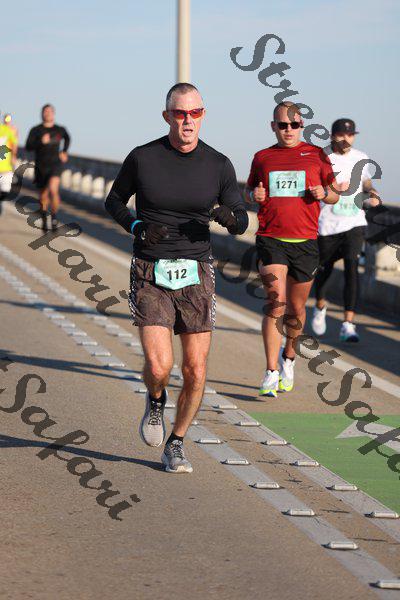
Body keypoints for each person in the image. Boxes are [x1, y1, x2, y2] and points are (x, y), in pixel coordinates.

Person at [105, 83, 248, 473]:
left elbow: (241, 218)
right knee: (159, 366)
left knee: (195, 370)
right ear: (167, 116)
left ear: (203, 115)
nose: (187, 121)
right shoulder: (143, 158)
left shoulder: (218, 164)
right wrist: (136, 226)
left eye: (194, 113)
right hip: (150, 269)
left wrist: (231, 219)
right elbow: (114, 201)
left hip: (197, 272)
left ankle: (177, 442)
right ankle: (155, 400)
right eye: (180, 113)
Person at [246, 101, 339, 397]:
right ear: (273, 126)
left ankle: (289, 356)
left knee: (296, 310)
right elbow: (248, 191)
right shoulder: (262, 157)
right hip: (271, 238)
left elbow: (335, 193)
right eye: (283, 125)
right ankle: (271, 371)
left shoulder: (317, 155)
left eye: (294, 125)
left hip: (306, 242)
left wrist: (324, 193)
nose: (289, 130)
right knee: (276, 302)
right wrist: (254, 194)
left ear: (302, 126)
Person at [311, 119, 381, 342]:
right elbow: (313, 186)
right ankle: (320, 305)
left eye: (350, 135)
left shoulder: (360, 157)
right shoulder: (321, 157)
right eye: (341, 135)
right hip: (327, 224)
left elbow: (366, 182)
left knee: (352, 269)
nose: (346, 139)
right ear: (333, 136)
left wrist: (372, 193)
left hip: (354, 222)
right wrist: (333, 188)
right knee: (324, 271)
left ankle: (348, 325)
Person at [26, 104, 70, 232]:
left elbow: (67, 138)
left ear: (53, 114)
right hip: (41, 166)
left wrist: (64, 151)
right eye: (45, 111)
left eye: (50, 111)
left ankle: (54, 217)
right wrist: (40, 142)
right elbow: (28, 146)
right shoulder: (36, 130)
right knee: (43, 196)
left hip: (55, 165)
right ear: (42, 114)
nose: (47, 113)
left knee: (53, 189)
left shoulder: (60, 129)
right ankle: (45, 217)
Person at [0, 112, 18, 215]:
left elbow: (14, 144)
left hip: (6, 166)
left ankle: (1, 202)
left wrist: (14, 156)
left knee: (5, 191)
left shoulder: (10, 130)